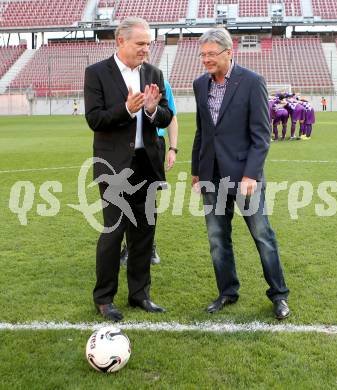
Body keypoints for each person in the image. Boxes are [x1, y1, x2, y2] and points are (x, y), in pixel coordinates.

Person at [191, 28, 290, 320]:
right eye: (203, 55)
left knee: (263, 236)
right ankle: (227, 291)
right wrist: (196, 170)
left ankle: (279, 295)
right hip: (212, 176)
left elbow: (262, 136)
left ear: (228, 52)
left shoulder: (253, 82)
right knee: (218, 239)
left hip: (245, 177)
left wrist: (251, 175)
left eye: (211, 54)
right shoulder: (200, 85)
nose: (206, 59)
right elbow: (202, 131)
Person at [84, 17, 173, 321]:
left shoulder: (154, 73)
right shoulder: (96, 73)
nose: (146, 49)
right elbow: (94, 119)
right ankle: (104, 299)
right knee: (113, 232)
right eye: (140, 43)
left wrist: (151, 110)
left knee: (144, 233)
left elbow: (166, 115)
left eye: (148, 43)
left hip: (146, 165)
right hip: (113, 167)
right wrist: (126, 110)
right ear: (120, 41)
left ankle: (140, 295)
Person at [120, 79, 178, 266]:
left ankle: (149, 245)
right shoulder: (121, 78)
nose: (144, 51)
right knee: (125, 197)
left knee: (148, 199)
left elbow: (172, 116)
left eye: (146, 47)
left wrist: (173, 148)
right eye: (140, 47)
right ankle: (129, 246)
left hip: (153, 146)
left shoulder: (161, 82)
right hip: (126, 145)